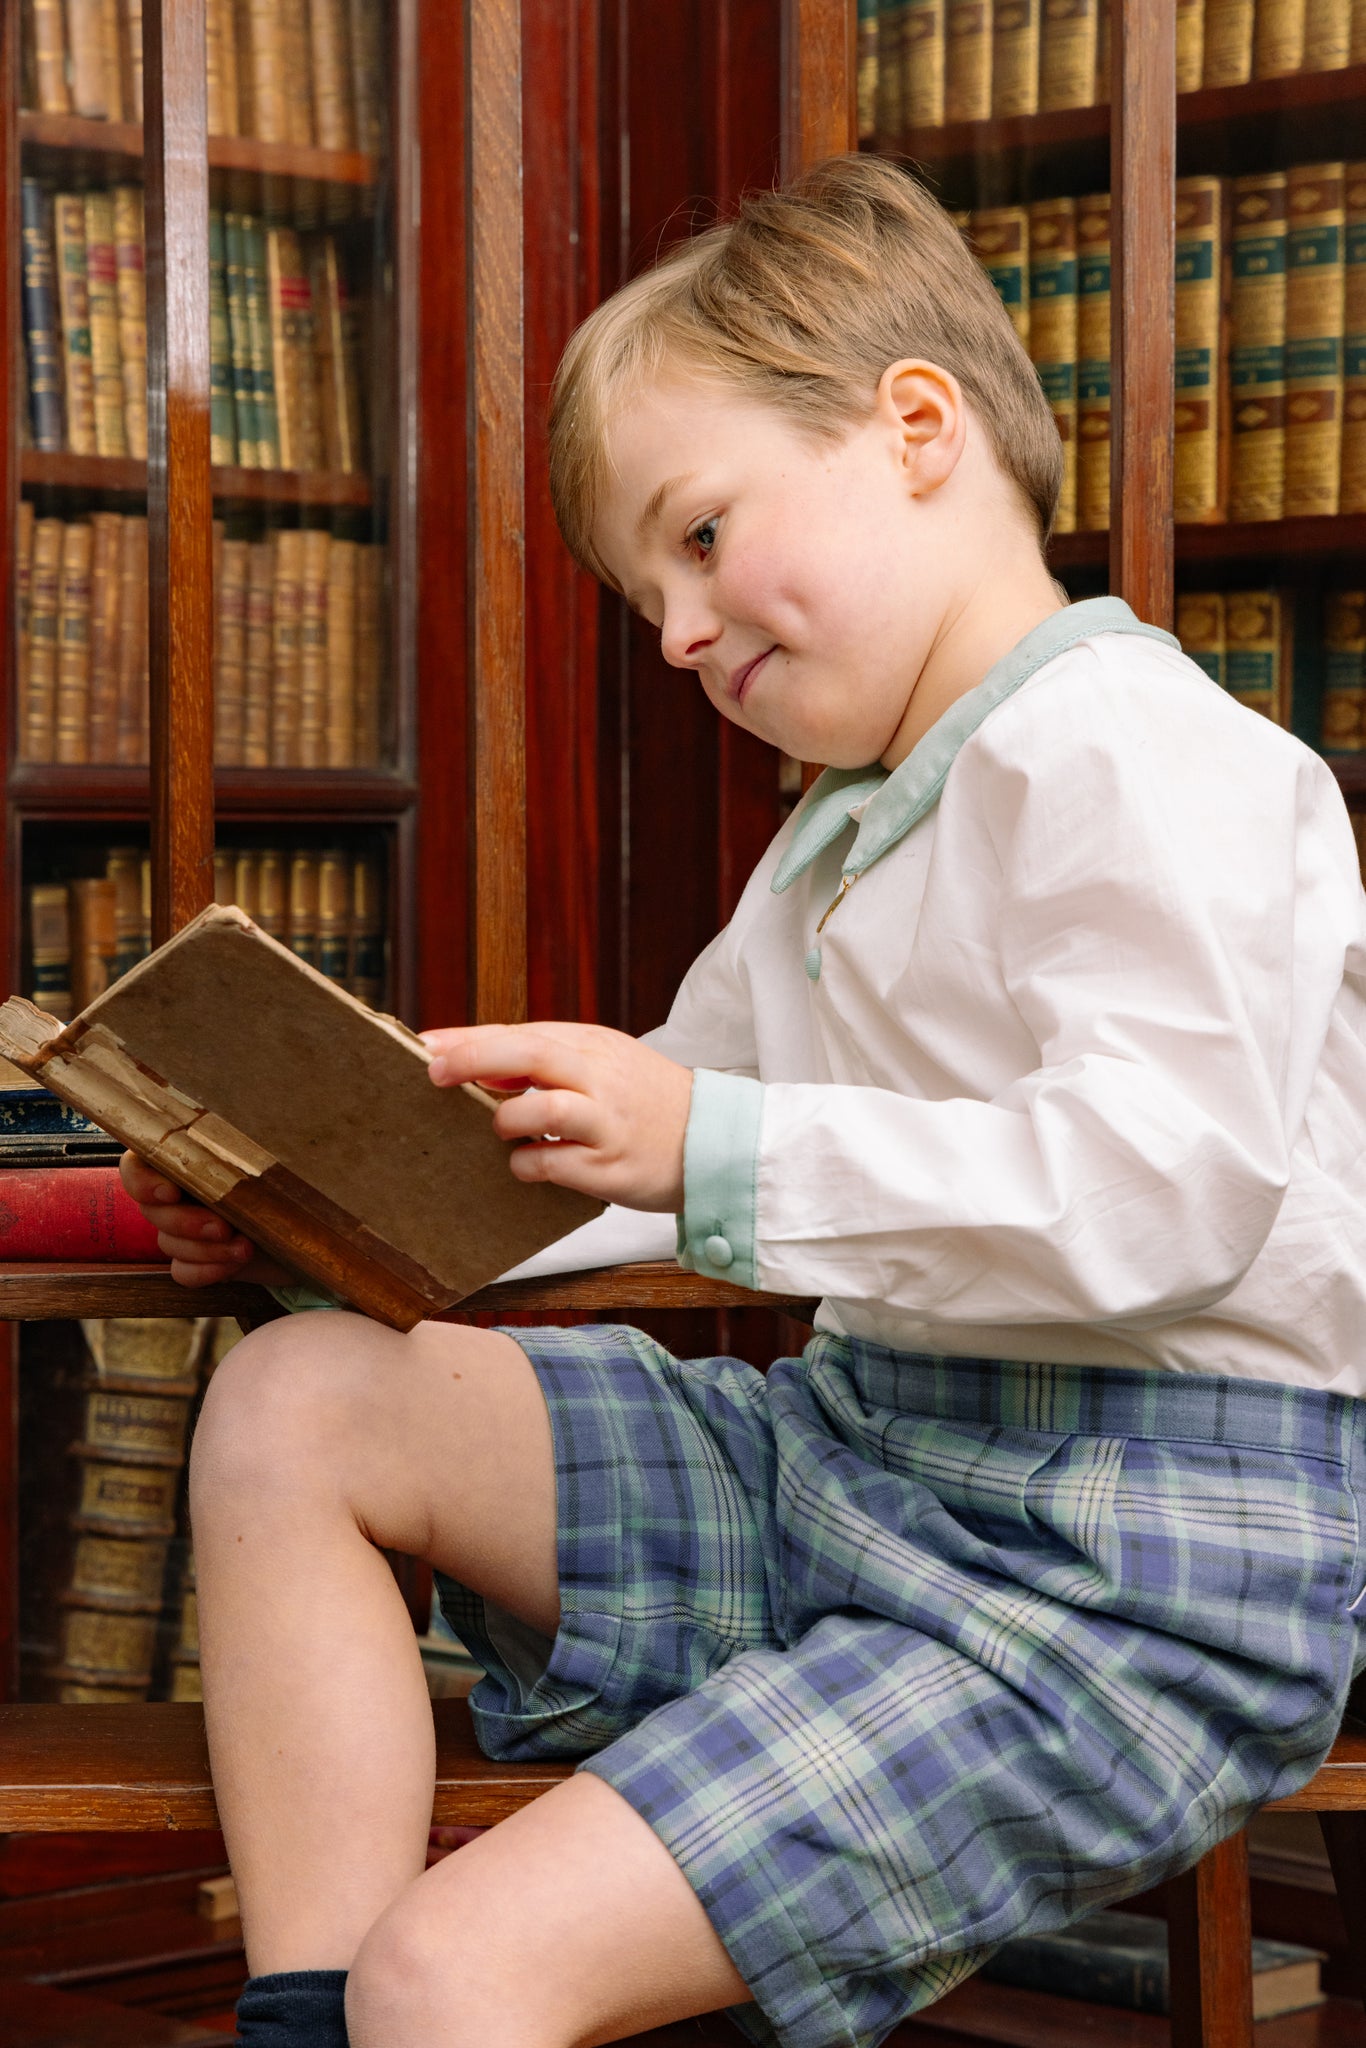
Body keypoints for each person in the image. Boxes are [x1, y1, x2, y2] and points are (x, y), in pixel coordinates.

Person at [122, 154, 1366, 2048]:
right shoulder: (836, 841)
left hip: (1126, 1568)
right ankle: (316, 2016)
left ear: (916, 429)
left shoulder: (1142, 756)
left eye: (698, 541)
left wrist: (701, 1139)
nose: (680, 634)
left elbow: (1159, 1196)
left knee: (456, 1972)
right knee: (301, 1396)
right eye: (647, 600)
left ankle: (398, 2009)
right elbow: (651, 1175)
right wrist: (331, 1210)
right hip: (860, 1462)